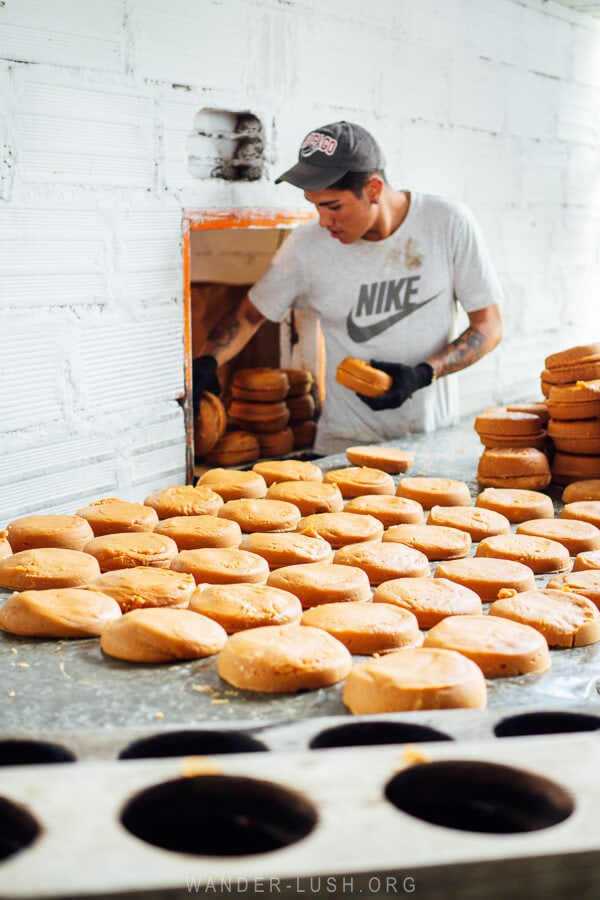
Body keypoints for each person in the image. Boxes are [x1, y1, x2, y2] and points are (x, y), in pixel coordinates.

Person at [193, 121, 503, 456]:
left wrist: (422, 375)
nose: (323, 221)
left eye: (333, 206)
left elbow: (489, 325)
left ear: (373, 189)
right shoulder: (306, 246)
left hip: (426, 443)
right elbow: (251, 314)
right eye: (316, 206)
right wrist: (205, 362)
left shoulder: (447, 223)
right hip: (343, 449)